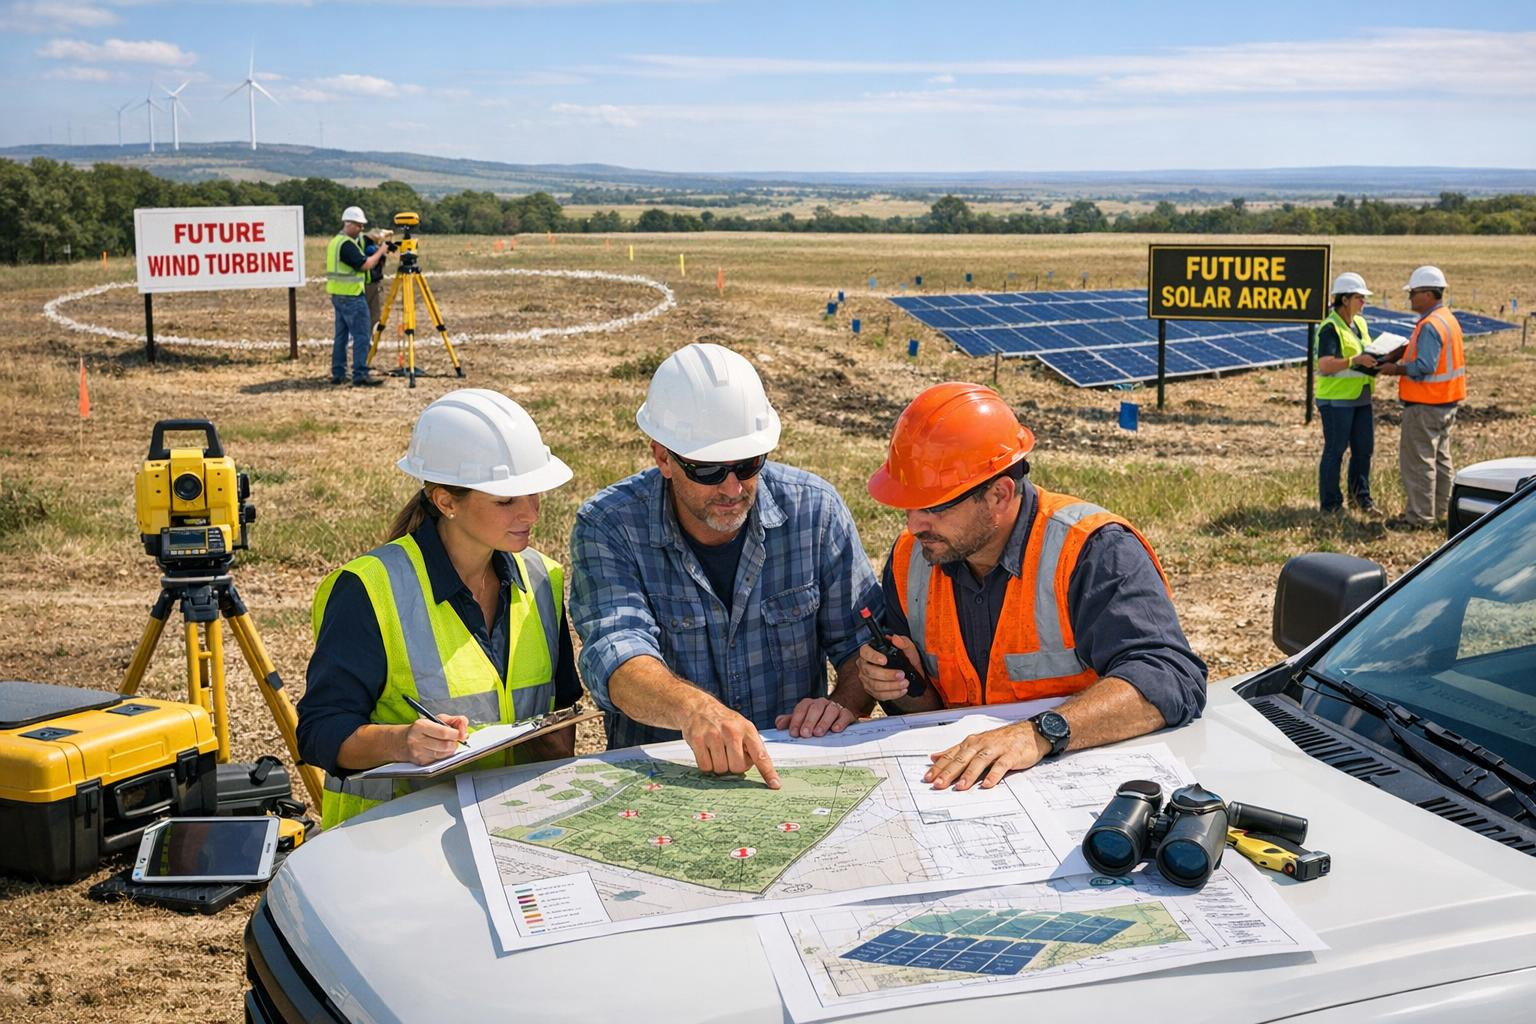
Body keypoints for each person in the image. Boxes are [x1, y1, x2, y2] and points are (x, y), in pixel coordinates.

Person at [858, 382, 1208, 792]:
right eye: (908, 505)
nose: (913, 525)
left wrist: (1038, 733)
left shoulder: (1093, 550)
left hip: (1085, 790)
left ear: (1000, 495)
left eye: (934, 507)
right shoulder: (911, 559)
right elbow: (933, 714)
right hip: (964, 791)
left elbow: (1169, 678)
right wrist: (902, 688)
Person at [569, 343, 878, 788]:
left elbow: (863, 647)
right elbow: (616, 655)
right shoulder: (610, 526)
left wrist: (844, 703)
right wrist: (693, 710)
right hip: (670, 776)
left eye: (749, 464)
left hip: (789, 771)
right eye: (709, 471)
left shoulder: (816, 510)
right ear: (663, 458)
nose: (733, 488)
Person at [298, 389, 582, 828]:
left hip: (510, 832)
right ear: (446, 501)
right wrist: (401, 742)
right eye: (506, 500)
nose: (531, 513)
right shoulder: (369, 589)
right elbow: (319, 734)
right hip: (389, 841)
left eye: (534, 493)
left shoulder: (544, 579)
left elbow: (560, 708)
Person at [1376, 266, 1466, 529]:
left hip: (1425, 404)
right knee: (1441, 460)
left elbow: (1425, 365)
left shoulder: (1430, 325)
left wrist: (1396, 369)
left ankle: (1419, 519)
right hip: (1446, 402)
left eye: (1413, 293)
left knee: (1419, 462)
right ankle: (1441, 512)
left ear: (1428, 294)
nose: (1410, 298)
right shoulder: (1447, 319)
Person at [1313, 272, 1381, 515]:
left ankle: (1360, 498)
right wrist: (1356, 360)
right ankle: (1331, 505)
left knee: (1364, 448)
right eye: (1359, 297)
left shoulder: (1360, 324)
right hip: (1336, 400)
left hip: (1361, 396)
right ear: (1344, 299)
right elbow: (1326, 364)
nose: (1363, 302)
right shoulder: (1330, 327)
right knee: (1336, 450)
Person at [326, 206, 389, 387]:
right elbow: (366, 265)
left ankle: (338, 373)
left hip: (339, 295)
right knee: (361, 335)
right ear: (349, 224)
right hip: (352, 295)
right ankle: (360, 374)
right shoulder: (346, 245)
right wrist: (381, 251)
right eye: (359, 226)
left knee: (341, 336)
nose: (361, 229)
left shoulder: (335, 242)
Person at [362, 228, 391, 331]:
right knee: (373, 315)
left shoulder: (366, 244)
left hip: (369, 283)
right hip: (370, 283)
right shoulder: (370, 248)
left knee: (371, 315)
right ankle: (370, 340)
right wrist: (382, 250)